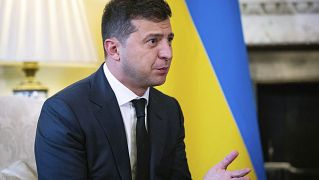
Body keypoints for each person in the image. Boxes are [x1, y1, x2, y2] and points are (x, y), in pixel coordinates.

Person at [35, 0, 251, 179]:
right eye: (153, 41)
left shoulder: (169, 110)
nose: (167, 53)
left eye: (169, 40)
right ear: (114, 49)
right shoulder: (64, 113)